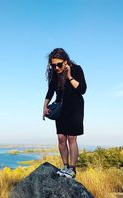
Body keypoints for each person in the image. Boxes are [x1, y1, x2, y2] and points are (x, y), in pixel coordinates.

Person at [43, 48, 87, 179]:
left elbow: (82, 89)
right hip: (61, 108)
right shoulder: (54, 73)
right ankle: (65, 166)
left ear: (66, 61)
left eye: (59, 64)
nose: (56, 67)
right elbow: (50, 91)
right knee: (61, 138)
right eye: (53, 65)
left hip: (75, 107)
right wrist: (44, 106)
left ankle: (72, 169)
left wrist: (69, 77)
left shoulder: (77, 69)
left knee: (72, 138)